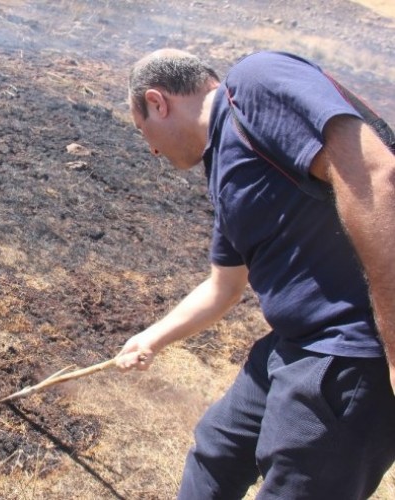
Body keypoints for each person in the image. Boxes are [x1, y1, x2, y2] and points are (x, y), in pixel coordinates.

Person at [115, 49, 395, 499]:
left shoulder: (254, 82)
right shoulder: (224, 168)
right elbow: (223, 287)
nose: (151, 148)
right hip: (294, 346)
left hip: (351, 355)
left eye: (142, 129)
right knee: (216, 452)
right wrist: (152, 338)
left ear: (158, 102)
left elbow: (375, 177)